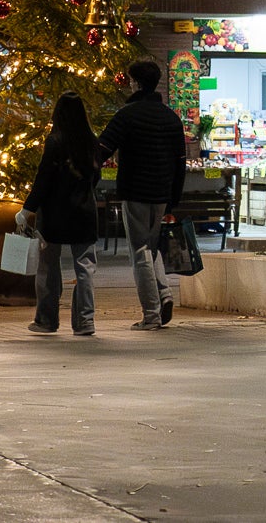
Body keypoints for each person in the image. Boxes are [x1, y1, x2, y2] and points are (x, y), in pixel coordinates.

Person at [95, 60, 187, 331]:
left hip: (135, 191)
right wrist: (174, 198)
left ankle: (151, 313)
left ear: (137, 83)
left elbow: (103, 149)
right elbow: (179, 161)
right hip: (161, 193)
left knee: (139, 251)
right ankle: (165, 293)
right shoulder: (171, 117)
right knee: (152, 245)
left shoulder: (127, 114)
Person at [21, 91, 102, 337]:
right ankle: (85, 321)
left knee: (48, 267)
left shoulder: (55, 141)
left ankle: (47, 320)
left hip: (55, 213)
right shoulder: (92, 142)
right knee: (85, 267)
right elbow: (94, 177)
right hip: (84, 212)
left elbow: (43, 178)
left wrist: (28, 208)